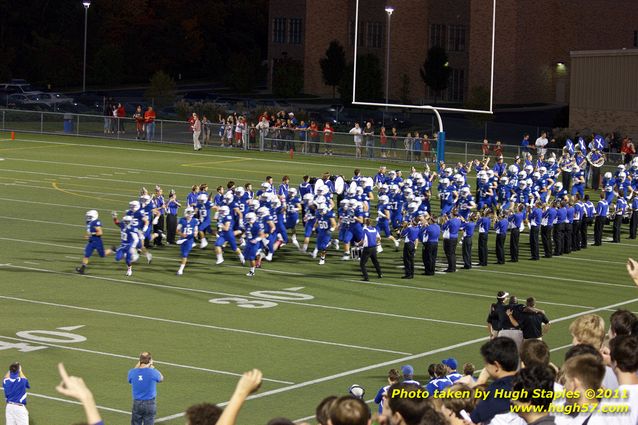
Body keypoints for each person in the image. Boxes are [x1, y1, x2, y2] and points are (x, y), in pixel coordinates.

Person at [470, 337, 519, 425]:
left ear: (496, 366)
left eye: (486, 364)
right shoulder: (529, 382)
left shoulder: (494, 392)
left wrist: (480, 382)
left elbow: (475, 417)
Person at [128, 352, 164, 425]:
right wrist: (152, 366)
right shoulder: (153, 372)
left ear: (139, 360)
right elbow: (161, 378)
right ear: (150, 360)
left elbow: (131, 376)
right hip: (150, 403)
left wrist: (140, 363)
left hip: (137, 403)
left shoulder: (132, 372)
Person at [76, 210, 114, 275]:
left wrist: (91, 235)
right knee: (86, 255)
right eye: (88, 216)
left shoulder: (96, 222)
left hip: (97, 241)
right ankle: (82, 269)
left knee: (102, 255)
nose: (88, 217)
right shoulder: (89, 222)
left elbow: (100, 233)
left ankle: (112, 249)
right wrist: (89, 236)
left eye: (89, 216)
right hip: (91, 242)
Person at [176, 207, 199, 275]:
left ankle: (181, 270)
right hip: (182, 239)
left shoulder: (195, 220)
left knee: (185, 254)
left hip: (189, 239)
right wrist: (181, 234)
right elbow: (177, 230)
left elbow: (196, 230)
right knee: (183, 253)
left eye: (189, 213)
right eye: (188, 213)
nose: (188, 214)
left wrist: (195, 233)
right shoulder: (182, 220)